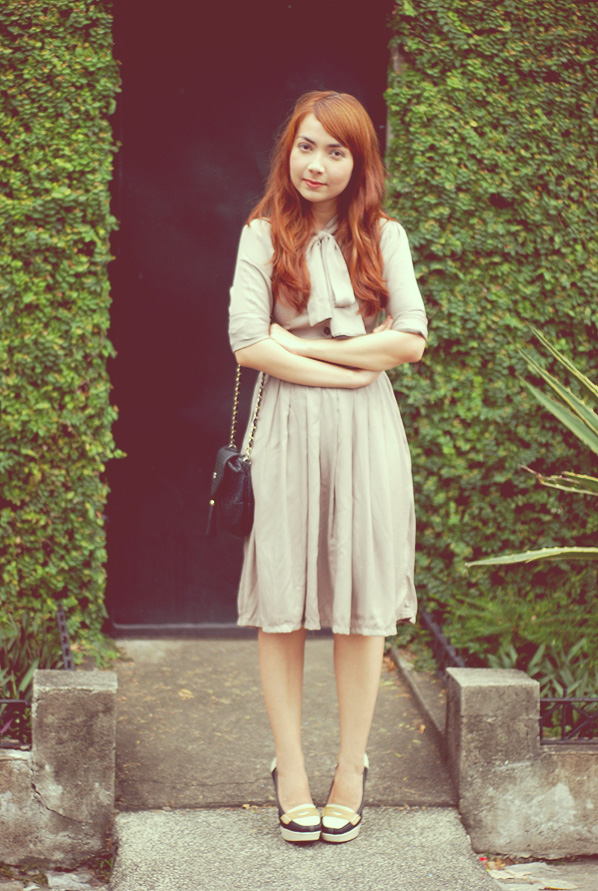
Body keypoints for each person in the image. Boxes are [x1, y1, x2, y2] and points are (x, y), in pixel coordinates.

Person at [228, 90, 428, 844]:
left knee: (361, 597)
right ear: (289, 151)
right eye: (306, 146)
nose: (316, 164)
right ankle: (292, 771)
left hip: (366, 436)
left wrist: (303, 345)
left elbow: (410, 339)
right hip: (285, 430)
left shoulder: (385, 235)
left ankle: (350, 771)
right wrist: (352, 368)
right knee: (282, 600)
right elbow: (248, 343)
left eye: (335, 151)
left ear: (358, 161)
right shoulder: (260, 234)